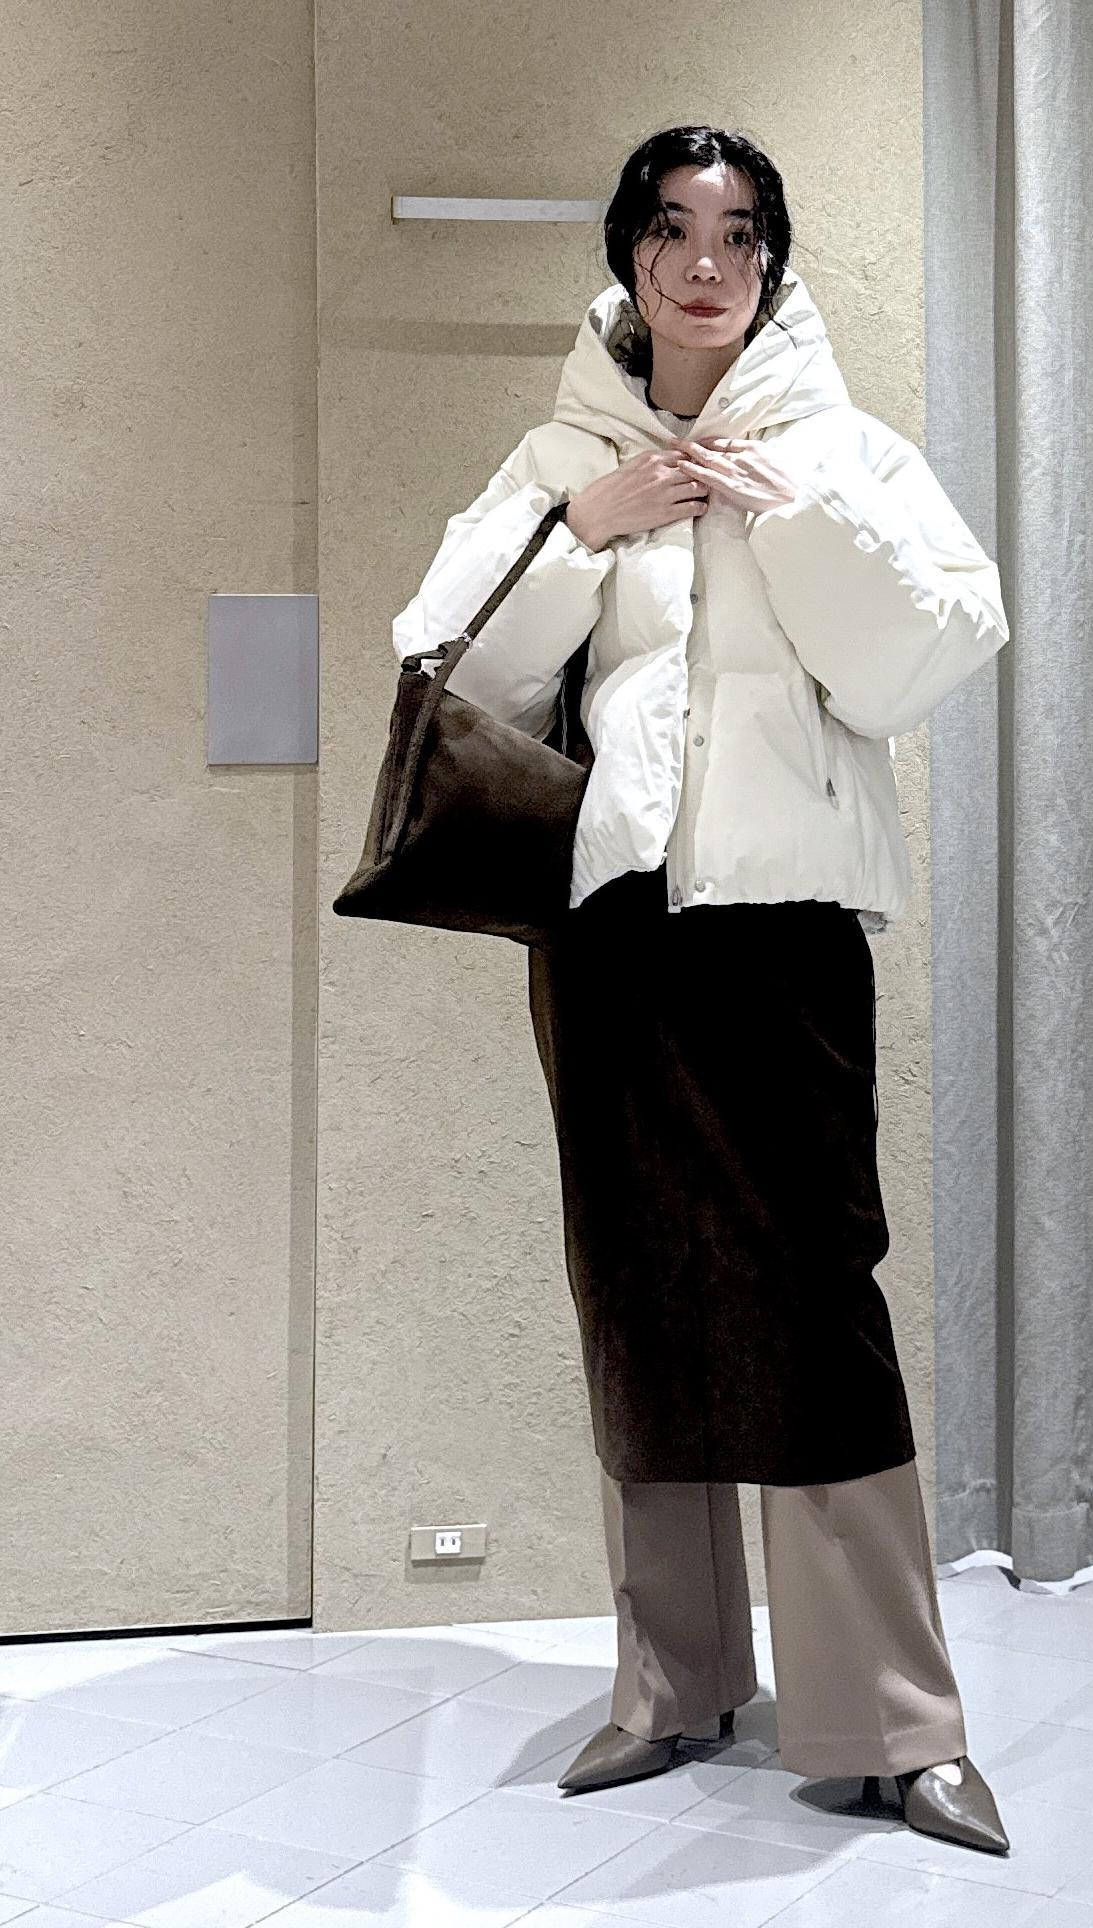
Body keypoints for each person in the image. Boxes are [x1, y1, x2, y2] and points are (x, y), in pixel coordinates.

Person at [392, 124, 1011, 1857]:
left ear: (772, 262)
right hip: (613, 928)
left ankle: (893, 1722)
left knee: (815, 1296)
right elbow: (442, 664)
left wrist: (786, 521)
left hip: (784, 918)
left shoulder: (844, 450)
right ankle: (669, 1687)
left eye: (738, 234)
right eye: (670, 230)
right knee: (639, 1287)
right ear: (627, 255)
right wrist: (580, 532)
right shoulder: (559, 454)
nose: (702, 264)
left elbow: (929, 657)